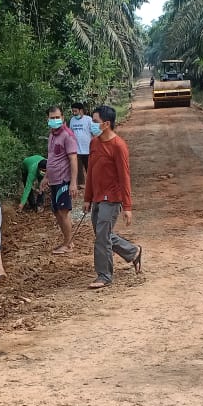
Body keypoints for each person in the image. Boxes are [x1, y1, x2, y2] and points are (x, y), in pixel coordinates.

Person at [83, 105, 142, 289]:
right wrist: (87, 198)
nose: (92, 124)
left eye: (95, 121)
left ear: (106, 124)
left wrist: (127, 207)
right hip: (98, 197)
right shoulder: (94, 143)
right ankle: (133, 251)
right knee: (103, 234)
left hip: (112, 197)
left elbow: (124, 177)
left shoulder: (118, 146)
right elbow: (91, 172)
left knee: (102, 236)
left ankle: (104, 275)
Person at [43, 106, 79, 254]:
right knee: (58, 212)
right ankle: (67, 240)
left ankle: (68, 244)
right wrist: (46, 177)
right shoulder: (52, 135)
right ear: (47, 119)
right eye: (52, 118)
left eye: (57, 117)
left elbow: (73, 159)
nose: (54, 120)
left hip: (63, 180)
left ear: (63, 118)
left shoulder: (67, 135)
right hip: (54, 180)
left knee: (63, 212)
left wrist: (73, 182)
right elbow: (51, 157)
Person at [68, 103, 95, 190]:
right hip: (76, 149)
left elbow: (94, 132)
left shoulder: (88, 119)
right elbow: (70, 133)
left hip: (88, 149)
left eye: (76, 111)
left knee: (90, 167)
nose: (74, 113)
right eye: (73, 111)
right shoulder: (72, 120)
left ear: (81, 110)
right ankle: (81, 184)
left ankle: (93, 183)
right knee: (78, 168)